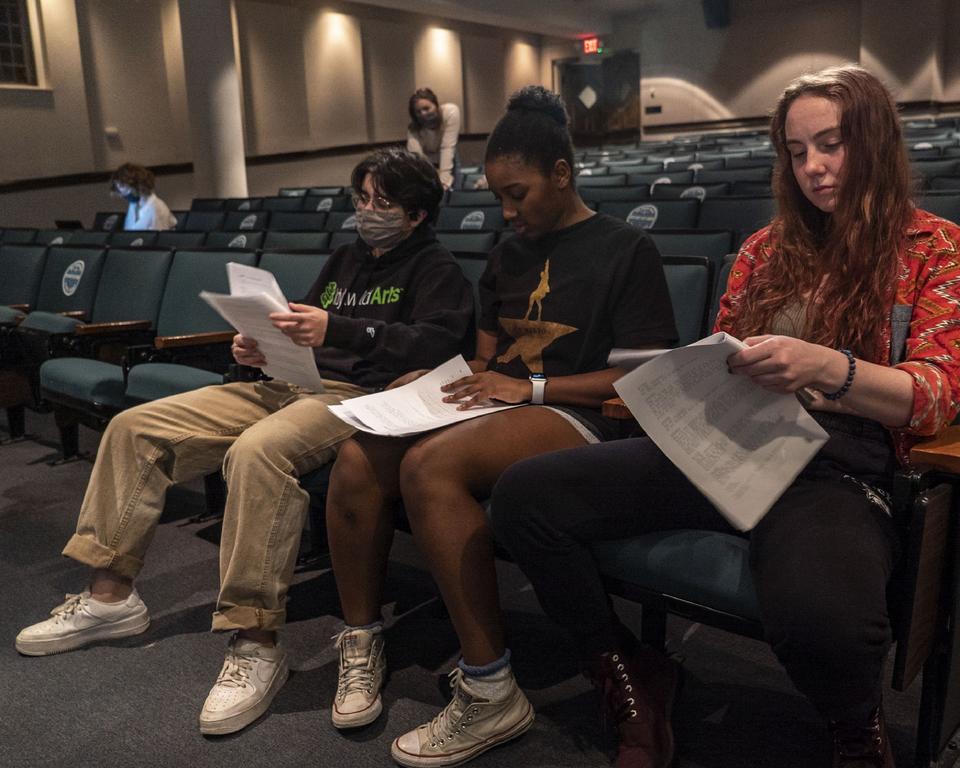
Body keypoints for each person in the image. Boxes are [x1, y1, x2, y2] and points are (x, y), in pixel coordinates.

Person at [489, 65, 960, 768]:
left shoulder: (941, 249)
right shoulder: (764, 249)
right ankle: (627, 669)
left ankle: (854, 730)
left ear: (874, 142)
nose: (813, 167)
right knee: (524, 496)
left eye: (832, 145)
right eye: (796, 149)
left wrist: (826, 368)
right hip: (724, 439)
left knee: (826, 620)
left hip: (833, 464)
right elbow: (722, 353)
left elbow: (936, 394)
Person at [15, 149, 475, 737]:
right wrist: (259, 345)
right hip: (290, 381)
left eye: (382, 202)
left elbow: (434, 347)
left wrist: (339, 329)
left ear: (415, 213)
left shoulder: (438, 270)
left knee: (257, 452)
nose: (366, 211)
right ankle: (109, 599)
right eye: (361, 198)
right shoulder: (345, 259)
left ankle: (256, 641)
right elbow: (298, 327)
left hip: (359, 396)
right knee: (135, 428)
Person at [324, 86, 679, 766]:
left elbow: (641, 381)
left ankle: (490, 692)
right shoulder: (506, 255)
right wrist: (429, 387)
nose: (508, 213)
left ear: (562, 175)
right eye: (499, 198)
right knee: (359, 456)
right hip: (505, 401)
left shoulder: (625, 250)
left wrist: (529, 387)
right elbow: (485, 360)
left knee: (431, 466)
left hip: (580, 416)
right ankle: (361, 640)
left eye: (519, 195)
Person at [407, 87, 461, 189]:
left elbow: (447, 147)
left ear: (436, 105)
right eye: (418, 112)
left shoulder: (451, 112)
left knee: (454, 194)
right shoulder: (413, 129)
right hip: (426, 163)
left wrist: (444, 180)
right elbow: (417, 157)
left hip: (449, 159)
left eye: (426, 108)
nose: (423, 113)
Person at [110, 162, 177, 231]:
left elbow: (158, 239)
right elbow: (128, 232)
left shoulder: (157, 208)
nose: (122, 194)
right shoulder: (134, 205)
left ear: (139, 185)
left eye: (123, 186)